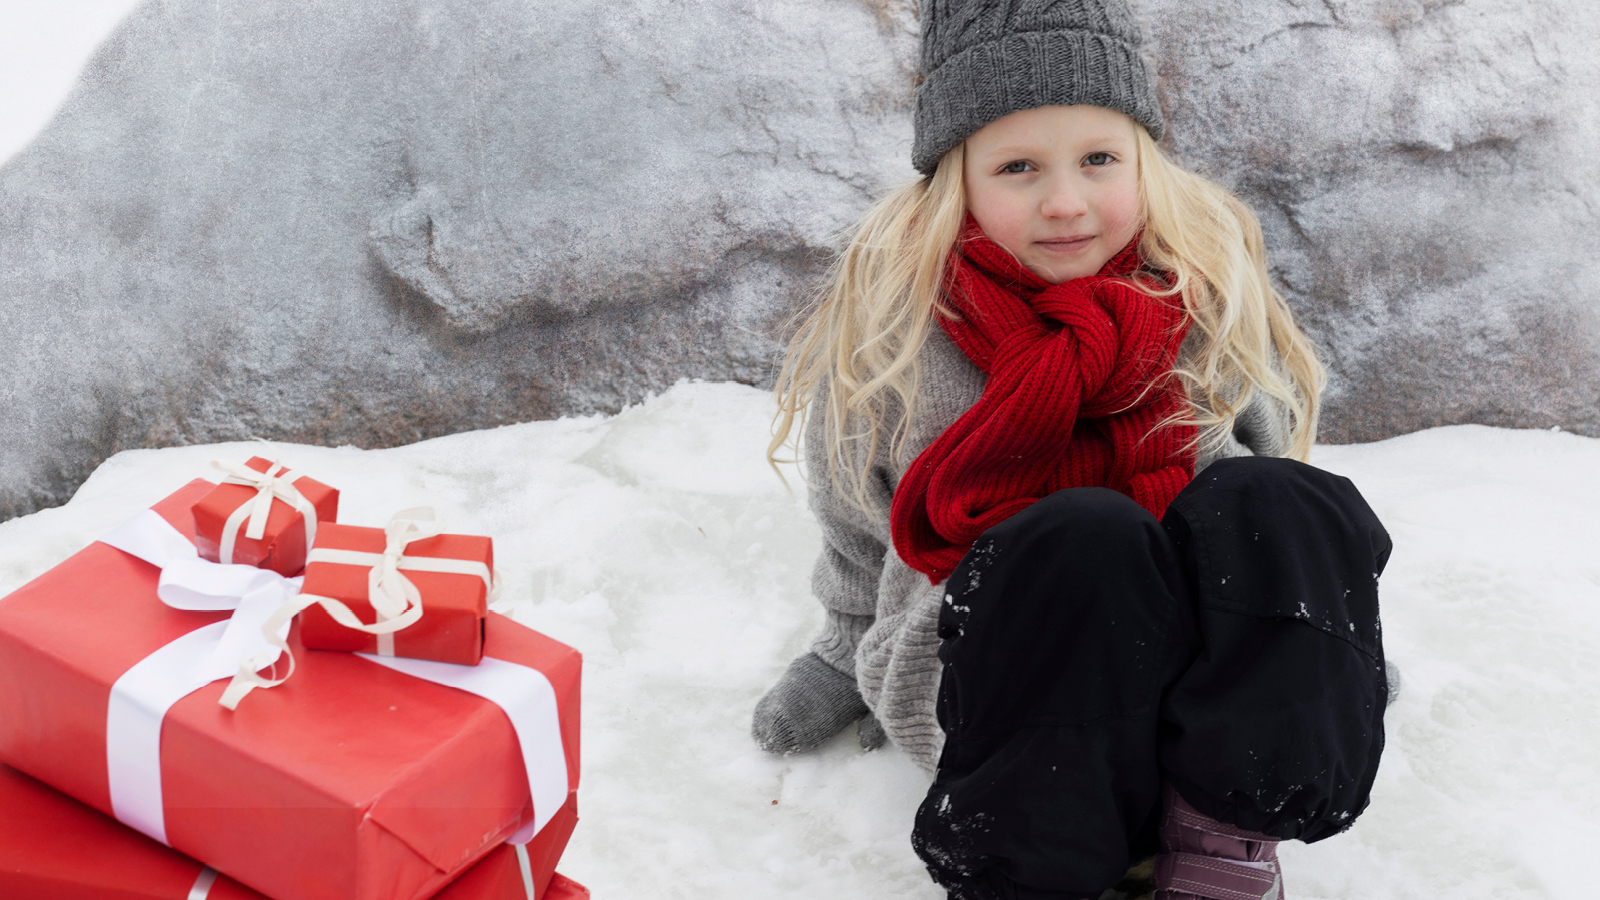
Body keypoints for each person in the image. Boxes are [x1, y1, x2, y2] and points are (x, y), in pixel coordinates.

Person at [750, 2, 1394, 899]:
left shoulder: (1197, 301)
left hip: (1199, 715)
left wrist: (1316, 649)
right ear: (957, 180)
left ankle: (1218, 848)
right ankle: (1033, 874)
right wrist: (842, 650)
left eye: (1098, 159)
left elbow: (1271, 514)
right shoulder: (898, 334)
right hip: (1011, 706)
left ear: (1143, 162)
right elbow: (860, 520)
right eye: (1018, 167)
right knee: (1082, 533)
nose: (1065, 201)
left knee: (1282, 497)